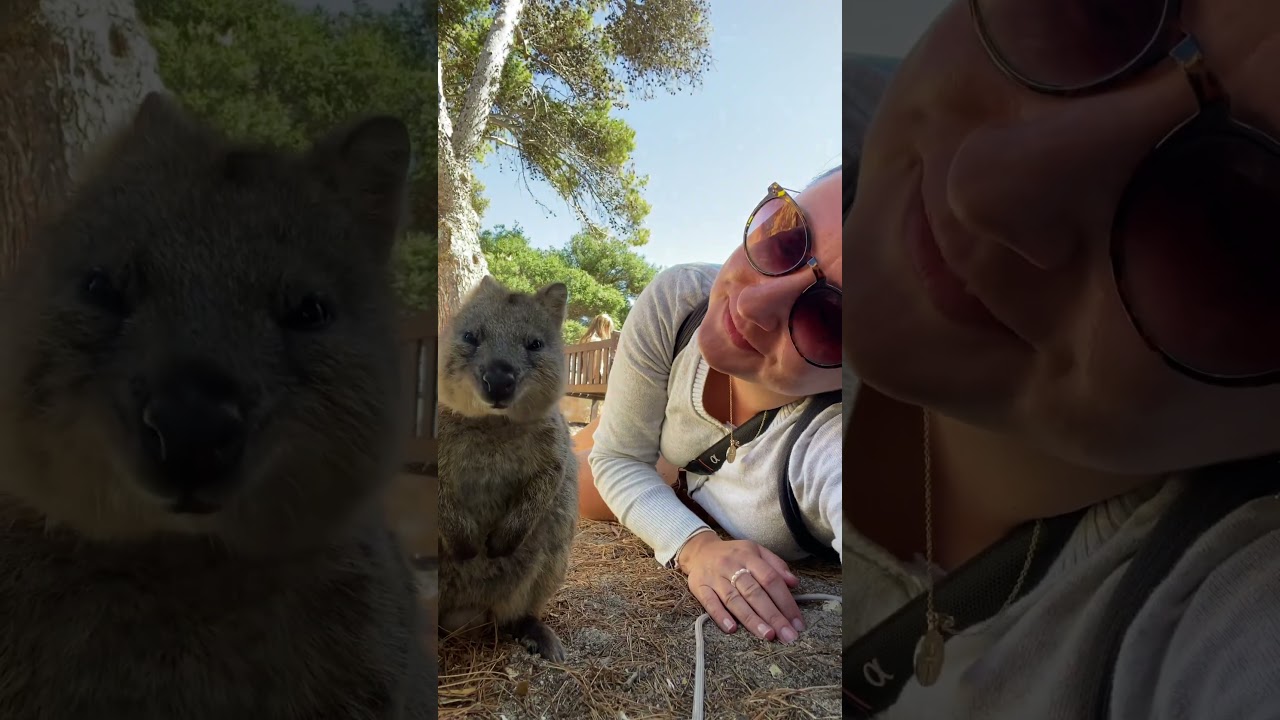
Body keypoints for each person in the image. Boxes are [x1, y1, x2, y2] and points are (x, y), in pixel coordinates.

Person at [843, 2, 1280, 718]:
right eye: (1086, 8)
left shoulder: (1234, 620)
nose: (985, 186)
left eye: (1242, 224)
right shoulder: (836, 136)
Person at [575, 169, 843, 646]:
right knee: (561, 466)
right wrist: (695, 546)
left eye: (831, 317)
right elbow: (615, 458)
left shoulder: (831, 443)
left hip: (673, 464)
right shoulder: (680, 300)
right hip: (657, 435)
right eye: (784, 237)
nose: (752, 304)